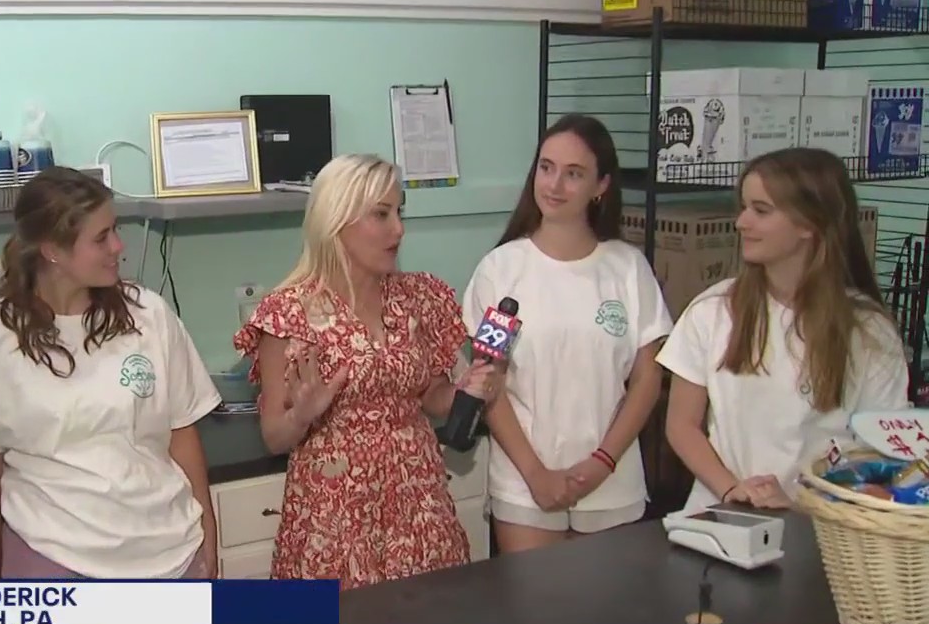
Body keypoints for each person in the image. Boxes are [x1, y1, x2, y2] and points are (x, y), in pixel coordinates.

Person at [232, 153, 498, 590]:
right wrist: (303, 415)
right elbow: (275, 436)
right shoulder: (288, 313)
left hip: (418, 504)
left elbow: (432, 396)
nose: (399, 229)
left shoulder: (418, 296)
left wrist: (464, 391)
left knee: (429, 622)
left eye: (399, 212)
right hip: (333, 514)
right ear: (336, 221)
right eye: (381, 214)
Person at [0, 166, 222, 580]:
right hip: (52, 555)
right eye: (101, 237)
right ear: (52, 251)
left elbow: (182, 433)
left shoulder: (148, 315)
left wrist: (208, 536)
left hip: (169, 549)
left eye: (115, 229)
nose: (118, 245)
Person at [657, 147, 910, 512]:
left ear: (809, 224)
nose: (741, 222)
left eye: (761, 211)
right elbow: (681, 425)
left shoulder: (869, 332)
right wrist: (733, 490)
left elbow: (879, 452)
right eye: (743, 207)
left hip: (823, 527)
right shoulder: (712, 310)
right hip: (718, 518)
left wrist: (798, 505)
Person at [465, 114, 672, 554]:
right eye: (546, 168)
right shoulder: (502, 270)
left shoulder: (627, 268)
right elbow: (488, 382)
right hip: (524, 484)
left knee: (604, 601)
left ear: (601, 186)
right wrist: (536, 475)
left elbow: (647, 379)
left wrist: (602, 462)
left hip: (612, 480)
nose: (554, 185)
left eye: (574, 174)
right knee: (538, 600)